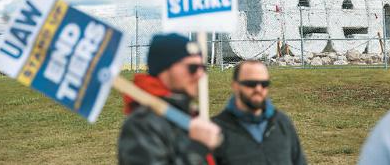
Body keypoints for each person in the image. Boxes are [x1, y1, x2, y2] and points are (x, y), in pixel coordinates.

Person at [118, 33, 221, 165]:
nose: (200, 75)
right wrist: (199, 149)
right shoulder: (142, 124)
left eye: (203, 68)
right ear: (165, 68)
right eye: (192, 68)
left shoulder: (187, 113)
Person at [213, 60, 307, 165]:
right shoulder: (215, 131)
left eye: (264, 84)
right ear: (235, 85)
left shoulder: (282, 123)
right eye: (251, 84)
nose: (258, 89)